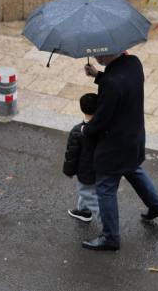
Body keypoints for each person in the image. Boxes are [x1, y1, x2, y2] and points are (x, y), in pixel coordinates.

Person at [81, 54, 158, 251]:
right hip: (134, 137)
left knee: (105, 188)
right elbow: (123, 86)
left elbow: (102, 118)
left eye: (98, 52)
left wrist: (85, 129)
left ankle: (110, 236)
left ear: (108, 52)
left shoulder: (111, 82)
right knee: (133, 169)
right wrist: (97, 75)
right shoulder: (134, 62)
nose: (95, 55)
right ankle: (157, 206)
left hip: (114, 146)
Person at [63, 93, 99, 223]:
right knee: (89, 192)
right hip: (103, 168)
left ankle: (109, 228)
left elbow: (72, 154)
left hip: (87, 171)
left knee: (88, 194)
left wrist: (68, 171)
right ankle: (83, 211)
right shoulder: (107, 126)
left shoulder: (78, 131)